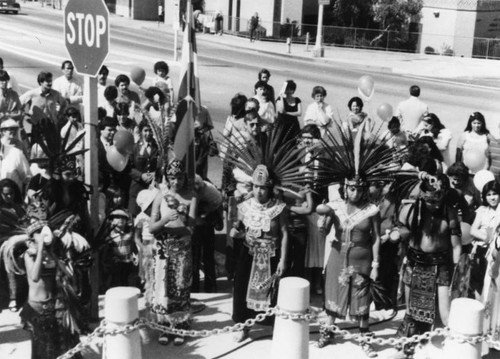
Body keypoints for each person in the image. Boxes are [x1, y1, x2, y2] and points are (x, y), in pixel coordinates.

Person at [395, 174, 462, 357]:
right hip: (414, 263)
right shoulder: (410, 210)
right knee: (410, 311)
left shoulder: (449, 212)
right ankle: (409, 344)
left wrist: (456, 273)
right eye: (430, 201)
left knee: (445, 313)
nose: (435, 205)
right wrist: (399, 233)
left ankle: (449, 348)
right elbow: (401, 230)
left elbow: (456, 246)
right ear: (422, 198)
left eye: (438, 200)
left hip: (440, 266)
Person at [231, 165, 289, 342]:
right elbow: (238, 230)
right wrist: (238, 230)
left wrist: (283, 260)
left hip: (271, 256)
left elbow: (285, 234)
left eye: (263, 187)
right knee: (242, 288)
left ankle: (274, 326)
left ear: (270, 188)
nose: (259, 191)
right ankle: (244, 326)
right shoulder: (245, 206)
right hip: (248, 254)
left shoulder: (279, 208)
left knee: (272, 292)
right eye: (256, 186)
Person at [149, 160, 198, 346]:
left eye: (179, 177)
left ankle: (181, 326)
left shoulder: (191, 197)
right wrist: (166, 221)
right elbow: (153, 228)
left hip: (182, 250)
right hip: (162, 250)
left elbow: (190, 230)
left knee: (181, 286)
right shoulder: (160, 197)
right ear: (167, 179)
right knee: (163, 288)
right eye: (172, 178)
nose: (176, 181)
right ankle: (164, 327)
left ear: (184, 178)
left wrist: (172, 228)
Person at [21, 221, 82, 359]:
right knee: (42, 346)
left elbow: (68, 273)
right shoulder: (29, 255)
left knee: (56, 343)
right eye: (39, 232)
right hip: (37, 307)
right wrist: (40, 248)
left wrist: (53, 253)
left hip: (52, 303)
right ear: (32, 238)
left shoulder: (50, 253)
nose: (44, 233)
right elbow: (35, 277)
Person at [469, 180, 500, 299]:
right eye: (489, 194)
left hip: (496, 253)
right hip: (480, 250)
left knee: (492, 282)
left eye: (495, 194)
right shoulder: (482, 210)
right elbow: (473, 230)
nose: (492, 198)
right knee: (477, 281)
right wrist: (488, 236)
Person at [101, 209, 138, 289]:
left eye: (123, 218)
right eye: (117, 217)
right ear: (111, 221)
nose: (120, 219)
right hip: (116, 265)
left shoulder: (129, 235)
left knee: (126, 284)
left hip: (128, 263)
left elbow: (133, 248)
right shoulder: (110, 237)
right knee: (117, 284)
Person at [128, 120, 159, 216]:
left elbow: (163, 166)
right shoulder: (134, 147)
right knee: (134, 218)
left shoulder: (159, 148)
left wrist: (155, 174)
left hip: (153, 189)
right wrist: (141, 176)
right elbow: (128, 168)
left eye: (151, 130)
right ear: (141, 132)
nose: (148, 133)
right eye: (145, 130)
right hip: (137, 188)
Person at [0, 118, 31, 192]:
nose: (12, 131)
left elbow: (26, 160)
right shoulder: (1, 144)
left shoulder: (20, 144)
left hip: (16, 179)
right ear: (3, 131)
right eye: (9, 129)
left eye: (14, 129)